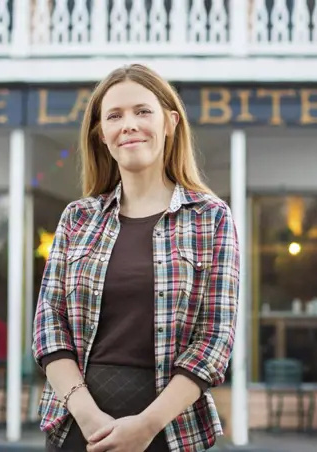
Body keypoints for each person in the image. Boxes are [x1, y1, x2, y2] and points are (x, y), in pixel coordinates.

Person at [32, 63, 240, 452]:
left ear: (169, 122)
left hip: (168, 431)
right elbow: (48, 327)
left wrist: (146, 426)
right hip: (80, 427)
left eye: (142, 111)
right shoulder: (78, 218)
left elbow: (213, 340)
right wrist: (89, 416)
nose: (128, 124)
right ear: (102, 134)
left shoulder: (211, 217)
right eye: (114, 115)